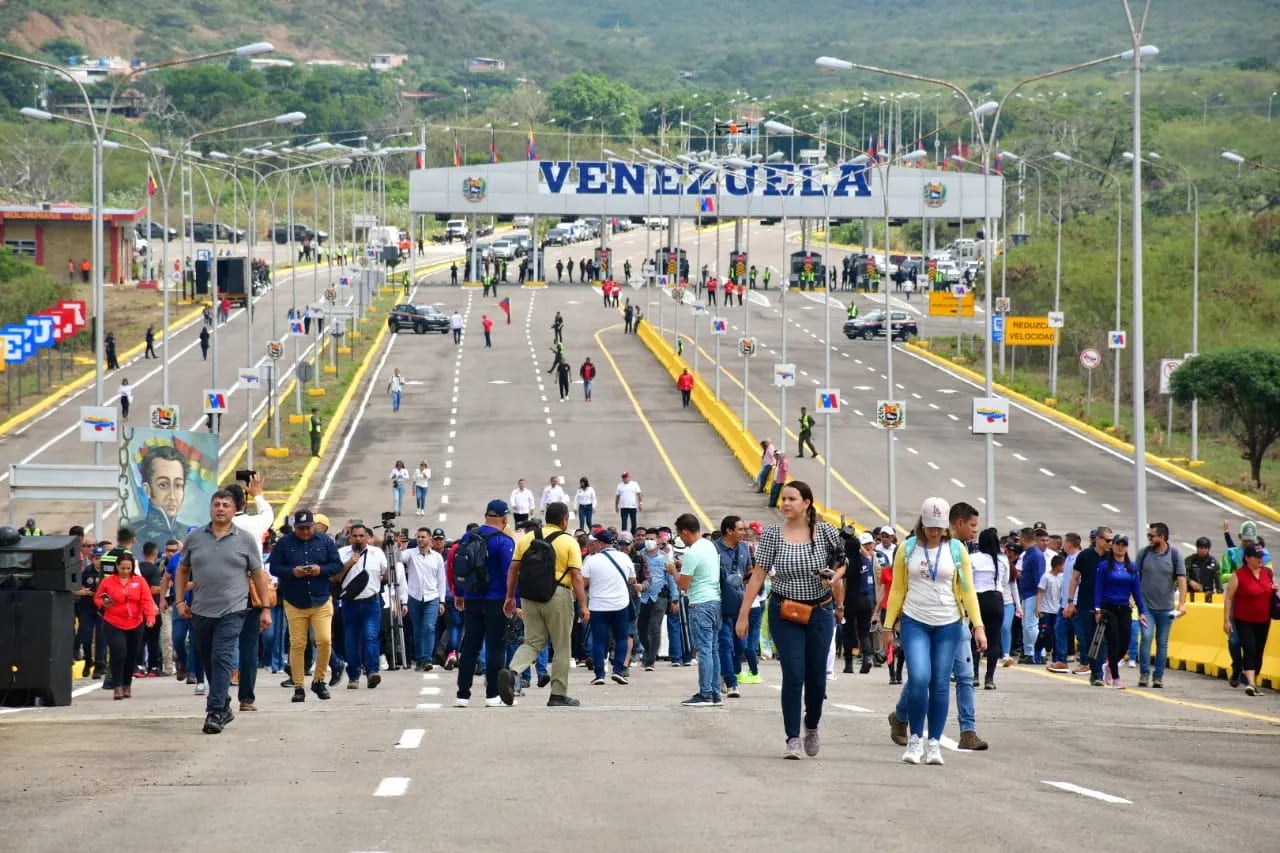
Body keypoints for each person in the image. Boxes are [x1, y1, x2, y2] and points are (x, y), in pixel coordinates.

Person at [737, 482, 844, 757]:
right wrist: (744, 614)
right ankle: (792, 737)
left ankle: (812, 725)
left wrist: (833, 575)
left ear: (806, 502)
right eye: (783, 499)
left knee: (817, 677)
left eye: (792, 499)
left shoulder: (826, 532)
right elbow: (758, 576)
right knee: (794, 674)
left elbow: (844, 560)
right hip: (785, 611)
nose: (785, 504)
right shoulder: (773, 534)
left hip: (819, 611)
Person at [882, 497, 986, 766]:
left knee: (940, 683)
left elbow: (967, 589)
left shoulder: (956, 550)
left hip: (948, 623)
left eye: (939, 528)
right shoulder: (907, 549)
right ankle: (915, 740)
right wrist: (887, 625)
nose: (935, 532)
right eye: (930, 527)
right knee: (919, 678)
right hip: (915, 620)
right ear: (922, 523)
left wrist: (978, 626)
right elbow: (897, 589)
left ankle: (934, 744)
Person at [177, 489, 271, 734]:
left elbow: (258, 575)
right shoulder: (195, 538)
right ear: (211, 508)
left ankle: (215, 710)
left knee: (222, 657)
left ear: (233, 509)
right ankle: (224, 704)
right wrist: (179, 601)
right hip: (201, 610)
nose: (220, 508)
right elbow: (182, 570)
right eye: (217, 504)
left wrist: (265, 608)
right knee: (208, 659)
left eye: (226, 505)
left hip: (234, 609)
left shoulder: (246, 539)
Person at [501, 501, 587, 707]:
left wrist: (510, 597)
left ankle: (513, 672)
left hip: (530, 596)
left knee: (532, 641)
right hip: (558, 595)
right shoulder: (568, 541)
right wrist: (583, 605)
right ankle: (558, 694)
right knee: (561, 646)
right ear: (564, 520)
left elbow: (513, 569)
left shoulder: (527, 538)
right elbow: (576, 576)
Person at [270, 509, 343, 702]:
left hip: (321, 598)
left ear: (313, 526)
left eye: (308, 528)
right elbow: (274, 567)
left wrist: (321, 570)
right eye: (300, 529)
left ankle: (319, 680)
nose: (305, 532)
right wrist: (293, 572)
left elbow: (337, 565)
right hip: (295, 600)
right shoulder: (285, 543)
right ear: (295, 527)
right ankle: (299, 685)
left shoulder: (325, 541)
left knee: (325, 640)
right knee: (297, 644)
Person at [671, 513, 723, 708]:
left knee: (704, 650)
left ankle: (706, 693)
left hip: (700, 603)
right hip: (715, 600)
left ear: (685, 531)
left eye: (680, 534)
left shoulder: (692, 553)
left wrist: (673, 571)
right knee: (713, 649)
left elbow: (684, 584)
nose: (680, 538)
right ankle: (715, 691)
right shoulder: (710, 546)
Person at [94, 548, 158, 700]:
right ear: (117, 567)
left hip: (135, 622)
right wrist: (103, 603)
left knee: (131, 655)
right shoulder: (107, 581)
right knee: (119, 653)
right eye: (122, 568)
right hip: (114, 622)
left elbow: (147, 600)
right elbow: (97, 598)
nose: (125, 571)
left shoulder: (139, 581)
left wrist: (150, 617)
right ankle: (117, 686)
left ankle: (127, 684)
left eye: (128, 568)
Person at [336, 523, 390, 689]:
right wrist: (348, 564)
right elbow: (335, 578)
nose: (358, 539)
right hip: (349, 603)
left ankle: (372, 671)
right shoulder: (341, 553)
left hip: (370, 602)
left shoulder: (377, 553)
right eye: (355, 536)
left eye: (362, 536)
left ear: (367, 537)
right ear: (350, 537)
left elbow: (386, 574)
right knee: (351, 640)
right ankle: (353, 676)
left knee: (370, 636)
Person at [1136, 522, 1187, 689]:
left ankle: (1158, 677)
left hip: (1166, 608)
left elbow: (1181, 579)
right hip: (1146, 607)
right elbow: (1135, 577)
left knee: (1162, 642)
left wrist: (1182, 604)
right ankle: (1144, 674)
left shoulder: (1174, 555)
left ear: (1162, 537)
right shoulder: (1144, 554)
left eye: (1152, 536)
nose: (1149, 538)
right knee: (1146, 638)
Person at [1093, 534, 1148, 690]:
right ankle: (1116, 678)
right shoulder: (1104, 566)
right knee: (1114, 642)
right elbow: (1098, 588)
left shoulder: (1131, 567)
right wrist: (1097, 609)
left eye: (1124, 544)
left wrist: (1141, 610)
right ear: (1113, 545)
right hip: (1108, 607)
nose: (1120, 547)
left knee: (1124, 643)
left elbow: (1136, 590)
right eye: (1118, 544)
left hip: (1124, 608)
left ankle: (1109, 665)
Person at [582, 529, 635, 686]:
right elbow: (632, 579)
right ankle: (618, 671)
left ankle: (599, 674)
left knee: (599, 640)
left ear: (600, 543)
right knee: (621, 638)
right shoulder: (624, 558)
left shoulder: (592, 560)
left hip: (598, 605)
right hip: (620, 604)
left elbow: (583, 582)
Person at [1222, 544, 1275, 696]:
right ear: (1247, 558)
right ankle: (1250, 683)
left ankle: (1254, 682)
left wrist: (1275, 589)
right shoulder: (1239, 575)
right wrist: (1226, 620)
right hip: (1244, 619)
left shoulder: (1268, 573)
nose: (1260, 560)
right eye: (1257, 557)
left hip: (1264, 619)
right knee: (1249, 649)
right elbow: (1229, 598)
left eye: (1261, 557)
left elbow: (1271, 591)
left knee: (1259, 651)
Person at [715, 516, 753, 700]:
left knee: (741, 645)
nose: (743, 533)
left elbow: (750, 571)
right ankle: (731, 683)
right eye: (740, 529)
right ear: (729, 531)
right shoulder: (714, 549)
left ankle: (726, 671)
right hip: (720, 604)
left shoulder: (745, 548)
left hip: (740, 603)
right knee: (726, 644)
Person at [401, 527, 447, 671]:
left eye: (423, 537)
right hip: (414, 596)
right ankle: (420, 659)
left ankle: (427, 658)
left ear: (429, 539)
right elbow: (398, 559)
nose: (420, 540)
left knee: (429, 627)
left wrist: (442, 600)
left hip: (432, 597)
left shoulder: (437, 557)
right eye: (418, 537)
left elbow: (441, 580)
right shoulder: (410, 554)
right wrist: (400, 547)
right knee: (418, 629)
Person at [971, 528, 1010, 689]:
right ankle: (990, 678)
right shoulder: (1002, 560)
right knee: (994, 638)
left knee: (974, 637)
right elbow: (1005, 582)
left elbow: (968, 579)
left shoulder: (973, 557)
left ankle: (974, 675)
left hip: (977, 599)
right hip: (996, 598)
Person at [1186, 537, 1222, 603]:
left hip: (1208, 595)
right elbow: (1182, 575)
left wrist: (1220, 596)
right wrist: (1190, 581)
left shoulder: (1214, 562)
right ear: (1197, 548)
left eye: (1205, 548)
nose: (1203, 550)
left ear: (1208, 549)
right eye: (1201, 548)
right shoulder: (1189, 560)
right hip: (1192, 594)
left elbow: (1218, 581)